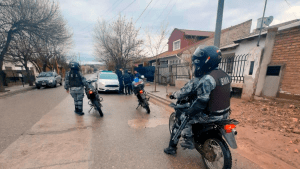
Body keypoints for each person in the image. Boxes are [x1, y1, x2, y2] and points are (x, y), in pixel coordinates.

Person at [164, 46, 231, 155]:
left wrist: (189, 112)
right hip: (225, 113)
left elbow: (200, 102)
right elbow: (228, 94)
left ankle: (174, 147)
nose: (197, 65)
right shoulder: (225, 75)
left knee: (183, 117)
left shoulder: (206, 79)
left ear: (207, 61)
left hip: (210, 115)